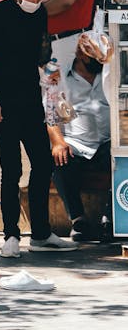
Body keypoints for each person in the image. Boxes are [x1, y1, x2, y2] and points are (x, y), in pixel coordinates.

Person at [0, 0, 76, 258]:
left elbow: (40, 52)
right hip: (2, 101)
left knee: (43, 164)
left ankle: (41, 232)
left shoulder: (40, 13)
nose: (34, 2)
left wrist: (50, 71)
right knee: (11, 168)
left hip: (31, 98)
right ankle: (11, 234)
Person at [47, 34, 111, 242]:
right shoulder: (61, 78)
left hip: (108, 141)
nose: (100, 64)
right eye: (96, 60)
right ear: (82, 56)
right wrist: (58, 142)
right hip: (77, 142)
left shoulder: (110, 74)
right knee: (59, 160)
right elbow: (51, 115)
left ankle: (110, 218)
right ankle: (78, 219)